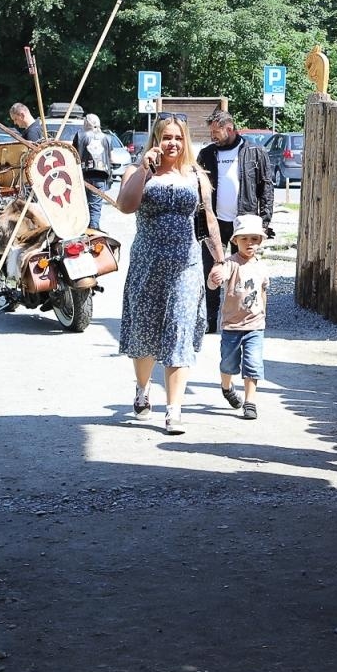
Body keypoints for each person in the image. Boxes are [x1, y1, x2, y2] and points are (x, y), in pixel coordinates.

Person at [114, 115, 227, 435]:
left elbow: (208, 220)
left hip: (186, 267)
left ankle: (174, 410)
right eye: (166, 137)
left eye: (178, 137)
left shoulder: (196, 175)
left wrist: (219, 259)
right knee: (144, 334)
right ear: (155, 140)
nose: (172, 143)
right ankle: (141, 388)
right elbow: (124, 206)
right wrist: (144, 171)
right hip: (148, 264)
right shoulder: (137, 173)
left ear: (185, 140)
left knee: (179, 331)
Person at [197, 110, 275, 332]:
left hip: (244, 223)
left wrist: (264, 221)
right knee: (211, 269)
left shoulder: (254, 152)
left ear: (229, 129)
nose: (212, 136)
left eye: (216, 132)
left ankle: (242, 319)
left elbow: (266, 187)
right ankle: (211, 321)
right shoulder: (207, 154)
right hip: (215, 223)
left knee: (242, 272)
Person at [208, 213, 270, 421]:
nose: (249, 243)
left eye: (254, 239)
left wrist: (263, 314)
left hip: (255, 325)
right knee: (228, 364)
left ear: (260, 241)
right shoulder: (230, 264)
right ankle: (227, 387)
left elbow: (263, 292)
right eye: (244, 239)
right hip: (232, 325)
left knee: (253, 363)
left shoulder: (261, 266)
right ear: (235, 241)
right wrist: (213, 279)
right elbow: (214, 282)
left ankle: (250, 402)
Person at [73, 112, 111, 231]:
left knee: (82, 205)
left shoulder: (80, 136)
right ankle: (94, 229)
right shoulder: (107, 138)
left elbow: (74, 154)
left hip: (83, 174)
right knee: (95, 205)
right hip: (101, 175)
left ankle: (82, 228)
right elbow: (110, 157)